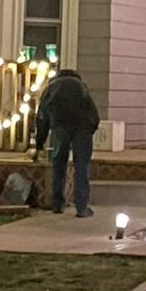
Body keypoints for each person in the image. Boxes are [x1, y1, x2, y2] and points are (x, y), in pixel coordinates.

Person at [32, 68, 101, 217]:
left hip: (60, 126)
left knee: (59, 163)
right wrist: (92, 128)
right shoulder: (82, 86)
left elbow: (42, 118)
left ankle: (57, 204)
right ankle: (82, 207)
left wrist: (39, 144)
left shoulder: (50, 88)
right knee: (82, 164)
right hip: (83, 127)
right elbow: (93, 111)